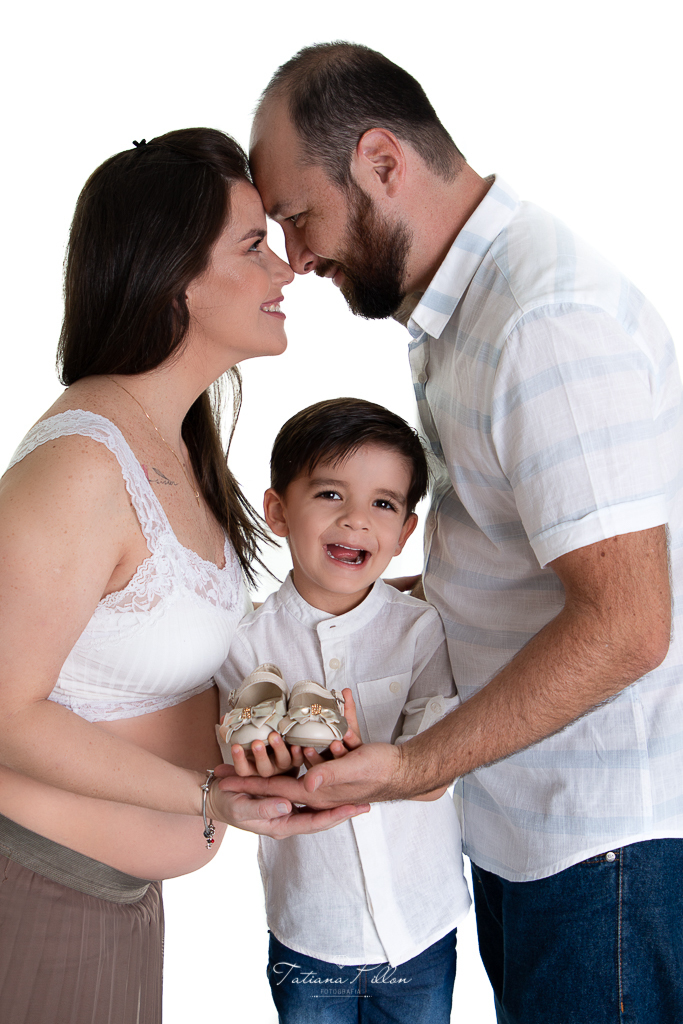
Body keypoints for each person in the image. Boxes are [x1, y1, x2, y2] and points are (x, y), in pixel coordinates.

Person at [220, 43, 683, 1022]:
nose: (295, 259)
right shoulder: (461, 314)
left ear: (382, 162)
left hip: (598, 848)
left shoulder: (540, 319)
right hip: (527, 826)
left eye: (297, 217)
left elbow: (628, 624)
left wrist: (415, 764)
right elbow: (512, 563)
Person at [0, 128, 366, 1024]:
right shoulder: (81, 467)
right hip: (37, 891)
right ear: (176, 280)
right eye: (252, 246)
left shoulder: (172, 443)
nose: (286, 269)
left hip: (111, 897)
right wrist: (211, 796)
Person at [217, 397, 470, 1023]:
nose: (356, 519)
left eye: (383, 503)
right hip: (311, 929)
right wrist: (267, 771)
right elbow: (233, 768)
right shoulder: (243, 644)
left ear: (405, 533)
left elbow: (437, 770)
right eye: (330, 494)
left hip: (422, 925)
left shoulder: (420, 630)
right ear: (278, 510)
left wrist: (384, 767)